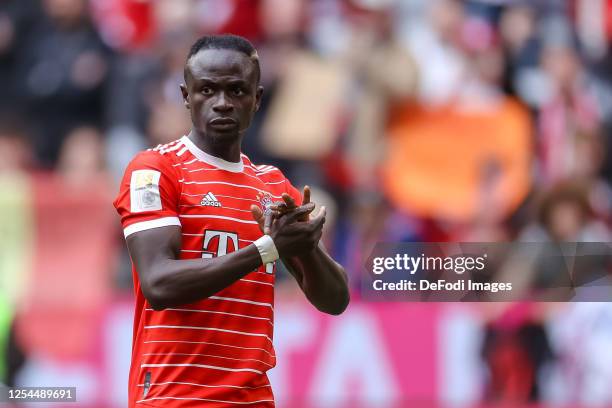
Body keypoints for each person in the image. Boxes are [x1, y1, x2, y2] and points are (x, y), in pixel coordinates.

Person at [113, 34, 350, 407]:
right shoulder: (155, 170)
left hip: (252, 398)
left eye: (237, 90)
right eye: (207, 90)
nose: (222, 103)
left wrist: (307, 249)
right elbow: (158, 283)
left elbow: (335, 300)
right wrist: (268, 249)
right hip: (175, 396)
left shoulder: (273, 185)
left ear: (256, 99)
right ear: (186, 96)